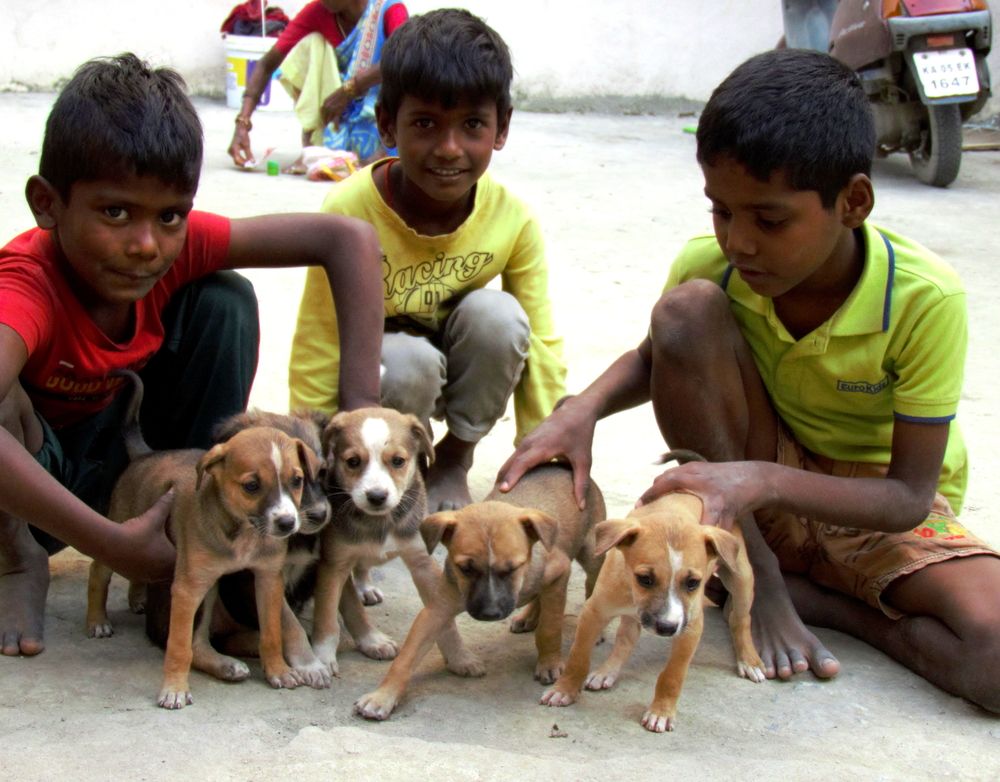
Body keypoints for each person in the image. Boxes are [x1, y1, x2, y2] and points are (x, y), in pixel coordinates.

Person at [498, 48, 1000, 712]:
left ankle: (831, 608)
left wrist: (755, 480)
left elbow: (908, 495)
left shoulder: (923, 298)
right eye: (720, 211)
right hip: (754, 511)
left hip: (870, 508)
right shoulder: (713, 267)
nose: (738, 242)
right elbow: (660, 356)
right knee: (686, 311)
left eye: (769, 219)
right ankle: (761, 575)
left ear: (853, 202)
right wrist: (581, 409)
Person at [0, 53, 384, 657]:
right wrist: (109, 544)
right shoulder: (25, 283)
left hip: (130, 462)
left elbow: (348, 238)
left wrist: (361, 418)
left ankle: (187, 550)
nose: (146, 244)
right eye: (115, 212)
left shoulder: (171, 245)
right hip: (32, 485)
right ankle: (15, 560)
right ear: (47, 203)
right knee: (4, 398)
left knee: (224, 299)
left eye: (170, 215)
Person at [288, 8, 566, 512]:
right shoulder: (349, 209)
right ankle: (397, 469)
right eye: (425, 124)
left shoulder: (514, 219)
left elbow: (542, 343)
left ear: (501, 129)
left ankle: (453, 461)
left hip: (463, 362)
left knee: (500, 318)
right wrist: (312, 453)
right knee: (405, 360)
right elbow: (319, 337)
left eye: (473, 125)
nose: (449, 148)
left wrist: (544, 452)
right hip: (386, 375)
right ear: (387, 126)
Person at [227, 0, 409, 172]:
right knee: (310, 44)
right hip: (335, 114)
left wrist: (350, 89)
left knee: (405, 72)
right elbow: (267, 64)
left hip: (381, 115)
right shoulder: (318, 11)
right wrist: (242, 122)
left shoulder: (389, 9)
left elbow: (406, 59)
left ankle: (385, 150)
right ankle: (321, 141)